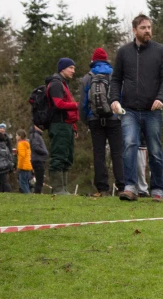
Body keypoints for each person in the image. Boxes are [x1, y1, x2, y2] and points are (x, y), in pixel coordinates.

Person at [109, 14, 163, 202]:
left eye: (149, 27)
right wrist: (113, 99)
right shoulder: (123, 53)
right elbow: (115, 79)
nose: (148, 31)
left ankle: (158, 189)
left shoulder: (161, 51)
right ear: (134, 30)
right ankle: (130, 187)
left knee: (154, 149)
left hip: (153, 111)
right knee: (129, 145)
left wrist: (161, 98)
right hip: (129, 110)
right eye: (143, 28)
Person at [81, 47, 124, 197]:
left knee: (98, 153)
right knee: (117, 153)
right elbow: (121, 95)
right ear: (106, 59)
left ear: (93, 60)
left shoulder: (88, 77)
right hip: (113, 119)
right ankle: (121, 187)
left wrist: (86, 119)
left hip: (95, 119)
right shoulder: (114, 75)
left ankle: (102, 188)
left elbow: (84, 103)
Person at [47, 57, 78, 195]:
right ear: (62, 69)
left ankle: (64, 189)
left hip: (67, 125)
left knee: (67, 157)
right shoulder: (56, 84)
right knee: (58, 156)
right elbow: (58, 104)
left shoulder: (64, 84)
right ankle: (58, 189)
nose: (73, 71)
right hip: (58, 125)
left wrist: (74, 127)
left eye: (74, 68)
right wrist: (77, 105)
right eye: (71, 68)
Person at [29, 124, 48, 193]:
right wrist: (45, 152)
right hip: (38, 160)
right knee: (39, 180)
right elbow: (35, 147)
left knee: (39, 179)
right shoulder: (35, 136)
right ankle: (37, 193)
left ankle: (38, 192)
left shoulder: (36, 135)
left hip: (38, 159)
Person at [15, 128, 33, 194]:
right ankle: (28, 193)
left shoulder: (20, 144)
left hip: (23, 166)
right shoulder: (27, 144)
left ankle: (28, 194)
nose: (16, 137)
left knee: (22, 182)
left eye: (16, 135)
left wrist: (19, 167)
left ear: (20, 136)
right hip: (28, 165)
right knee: (25, 182)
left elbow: (21, 156)